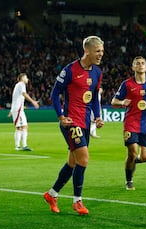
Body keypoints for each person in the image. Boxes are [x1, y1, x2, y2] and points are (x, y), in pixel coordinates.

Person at [43, 36, 105, 215]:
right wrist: (61, 116)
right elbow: (55, 94)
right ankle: (77, 201)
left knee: (73, 162)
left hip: (85, 122)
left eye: (102, 51)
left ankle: (52, 194)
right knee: (84, 158)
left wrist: (98, 117)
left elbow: (93, 98)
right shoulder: (70, 70)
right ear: (87, 50)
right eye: (97, 51)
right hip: (71, 121)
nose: (100, 54)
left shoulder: (97, 72)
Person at [111, 56, 146, 190]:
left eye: (142, 63)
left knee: (145, 157)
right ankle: (129, 180)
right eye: (137, 63)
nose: (140, 65)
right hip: (131, 123)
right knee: (133, 152)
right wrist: (122, 102)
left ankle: (131, 163)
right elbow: (114, 102)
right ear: (133, 67)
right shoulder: (127, 84)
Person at [8, 73, 39, 151]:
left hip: (18, 109)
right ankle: (18, 146)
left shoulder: (17, 85)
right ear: (22, 78)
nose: (27, 79)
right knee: (20, 127)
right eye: (26, 77)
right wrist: (33, 101)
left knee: (24, 126)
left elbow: (14, 98)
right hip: (18, 109)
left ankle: (23, 145)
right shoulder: (21, 84)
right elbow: (24, 94)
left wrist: (12, 110)